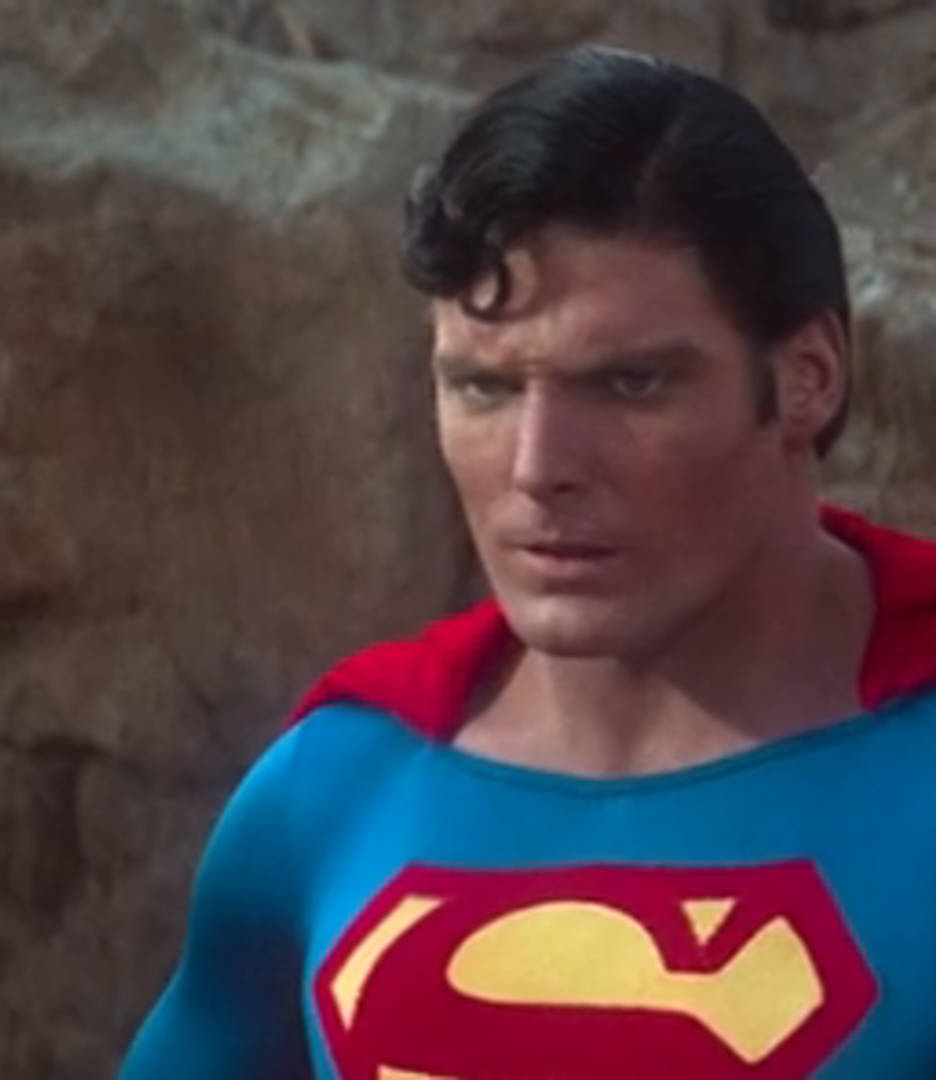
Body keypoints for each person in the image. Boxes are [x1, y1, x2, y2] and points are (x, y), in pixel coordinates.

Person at [120, 45, 936, 1079]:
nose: (539, 467)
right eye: (485, 388)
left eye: (630, 385)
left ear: (808, 378)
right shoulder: (335, 791)